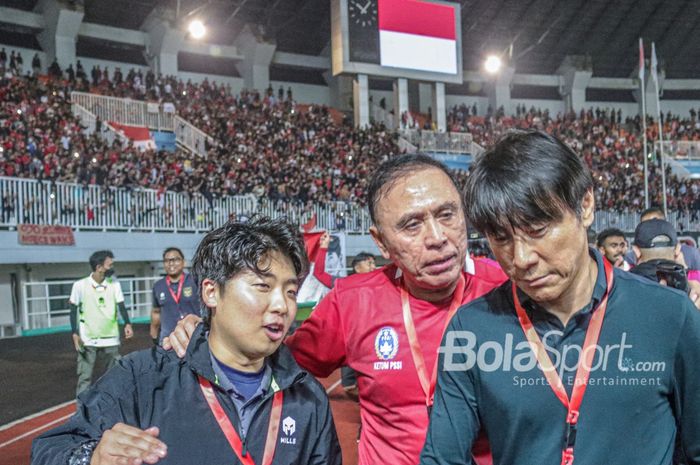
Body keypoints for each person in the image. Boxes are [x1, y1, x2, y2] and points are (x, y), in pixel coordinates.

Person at [165, 154, 507, 465]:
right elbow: (270, 364)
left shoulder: (509, 291)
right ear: (380, 242)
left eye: (447, 214)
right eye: (411, 225)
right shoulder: (352, 300)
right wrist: (212, 335)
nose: (437, 237)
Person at [420, 130, 700, 465]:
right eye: (501, 237)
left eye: (537, 230)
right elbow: (443, 458)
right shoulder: (470, 330)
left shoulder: (669, 316)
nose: (521, 257)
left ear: (585, 206)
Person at [32, 218, 342, 465]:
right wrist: (91, 458)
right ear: (211, 293)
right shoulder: (141, 379)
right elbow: (51, 448)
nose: (282, 306)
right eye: (262, 286)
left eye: (289, 291)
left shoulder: (308, 397)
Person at [69, 250, 133, 396]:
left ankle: (114, 406)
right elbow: (73, 310)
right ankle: (82, 413)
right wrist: (75, 333)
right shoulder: (79, 286)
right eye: (110, 265)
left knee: (115, 375)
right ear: (99, 267)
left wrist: (128, 324)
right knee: (84, 378)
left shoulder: (114, 284)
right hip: (88, 340)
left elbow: (121, 306)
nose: (112, 267)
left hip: (111, 339)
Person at [149, 247, 200, 345]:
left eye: (175, 260)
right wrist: (154, 335)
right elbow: (156, 312)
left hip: (193, 338)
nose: (171, 264)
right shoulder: (158, 286)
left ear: (183, 262)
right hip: (168, 341)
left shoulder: (195, 281)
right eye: (167, 261)